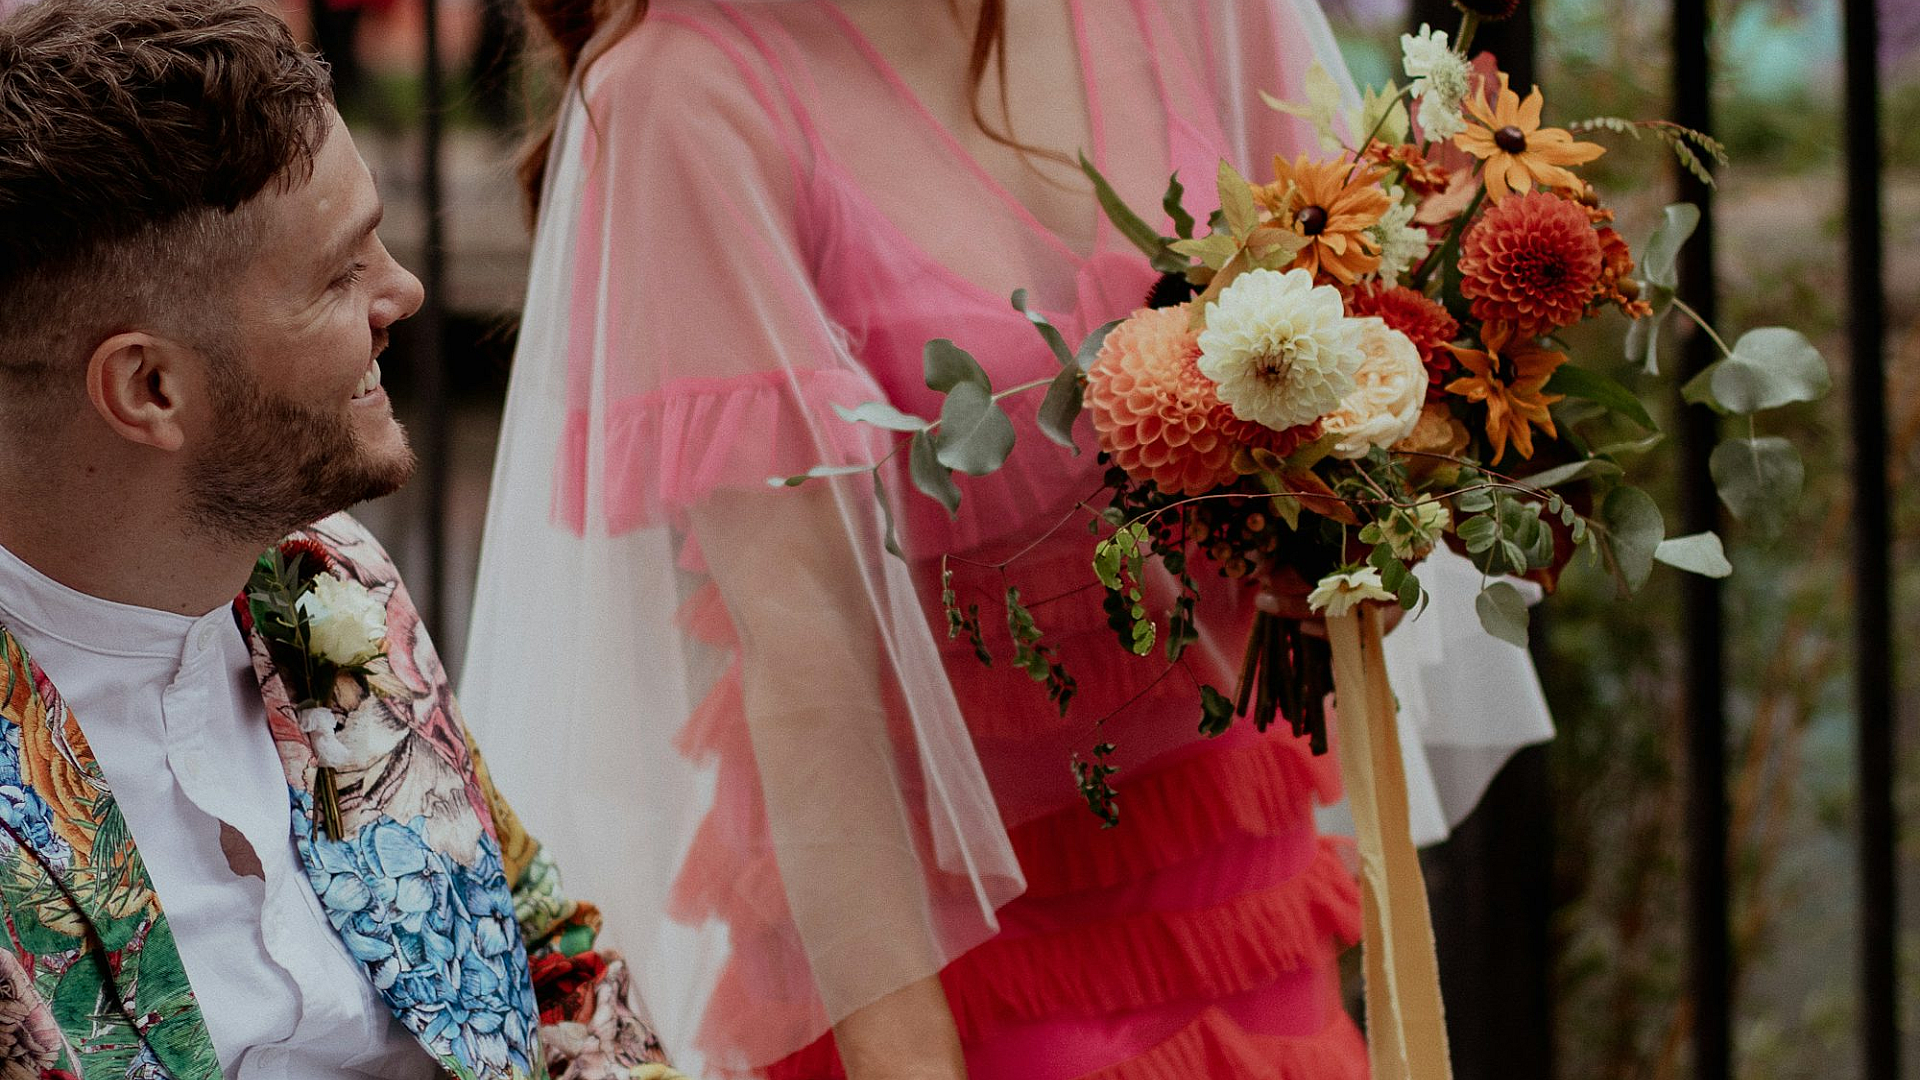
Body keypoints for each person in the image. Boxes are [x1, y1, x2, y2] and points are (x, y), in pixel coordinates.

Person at [462, 0, 1550, 1077]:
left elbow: (1353, 357)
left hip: (1234, 870)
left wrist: (1350, 516)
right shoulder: (684, 91)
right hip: (943, 949)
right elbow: (807, 660)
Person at [0, 3, 689, 1077]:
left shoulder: (331, 578)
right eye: (338, 274)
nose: (403, 291)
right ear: (150, 387)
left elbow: (548, 961)